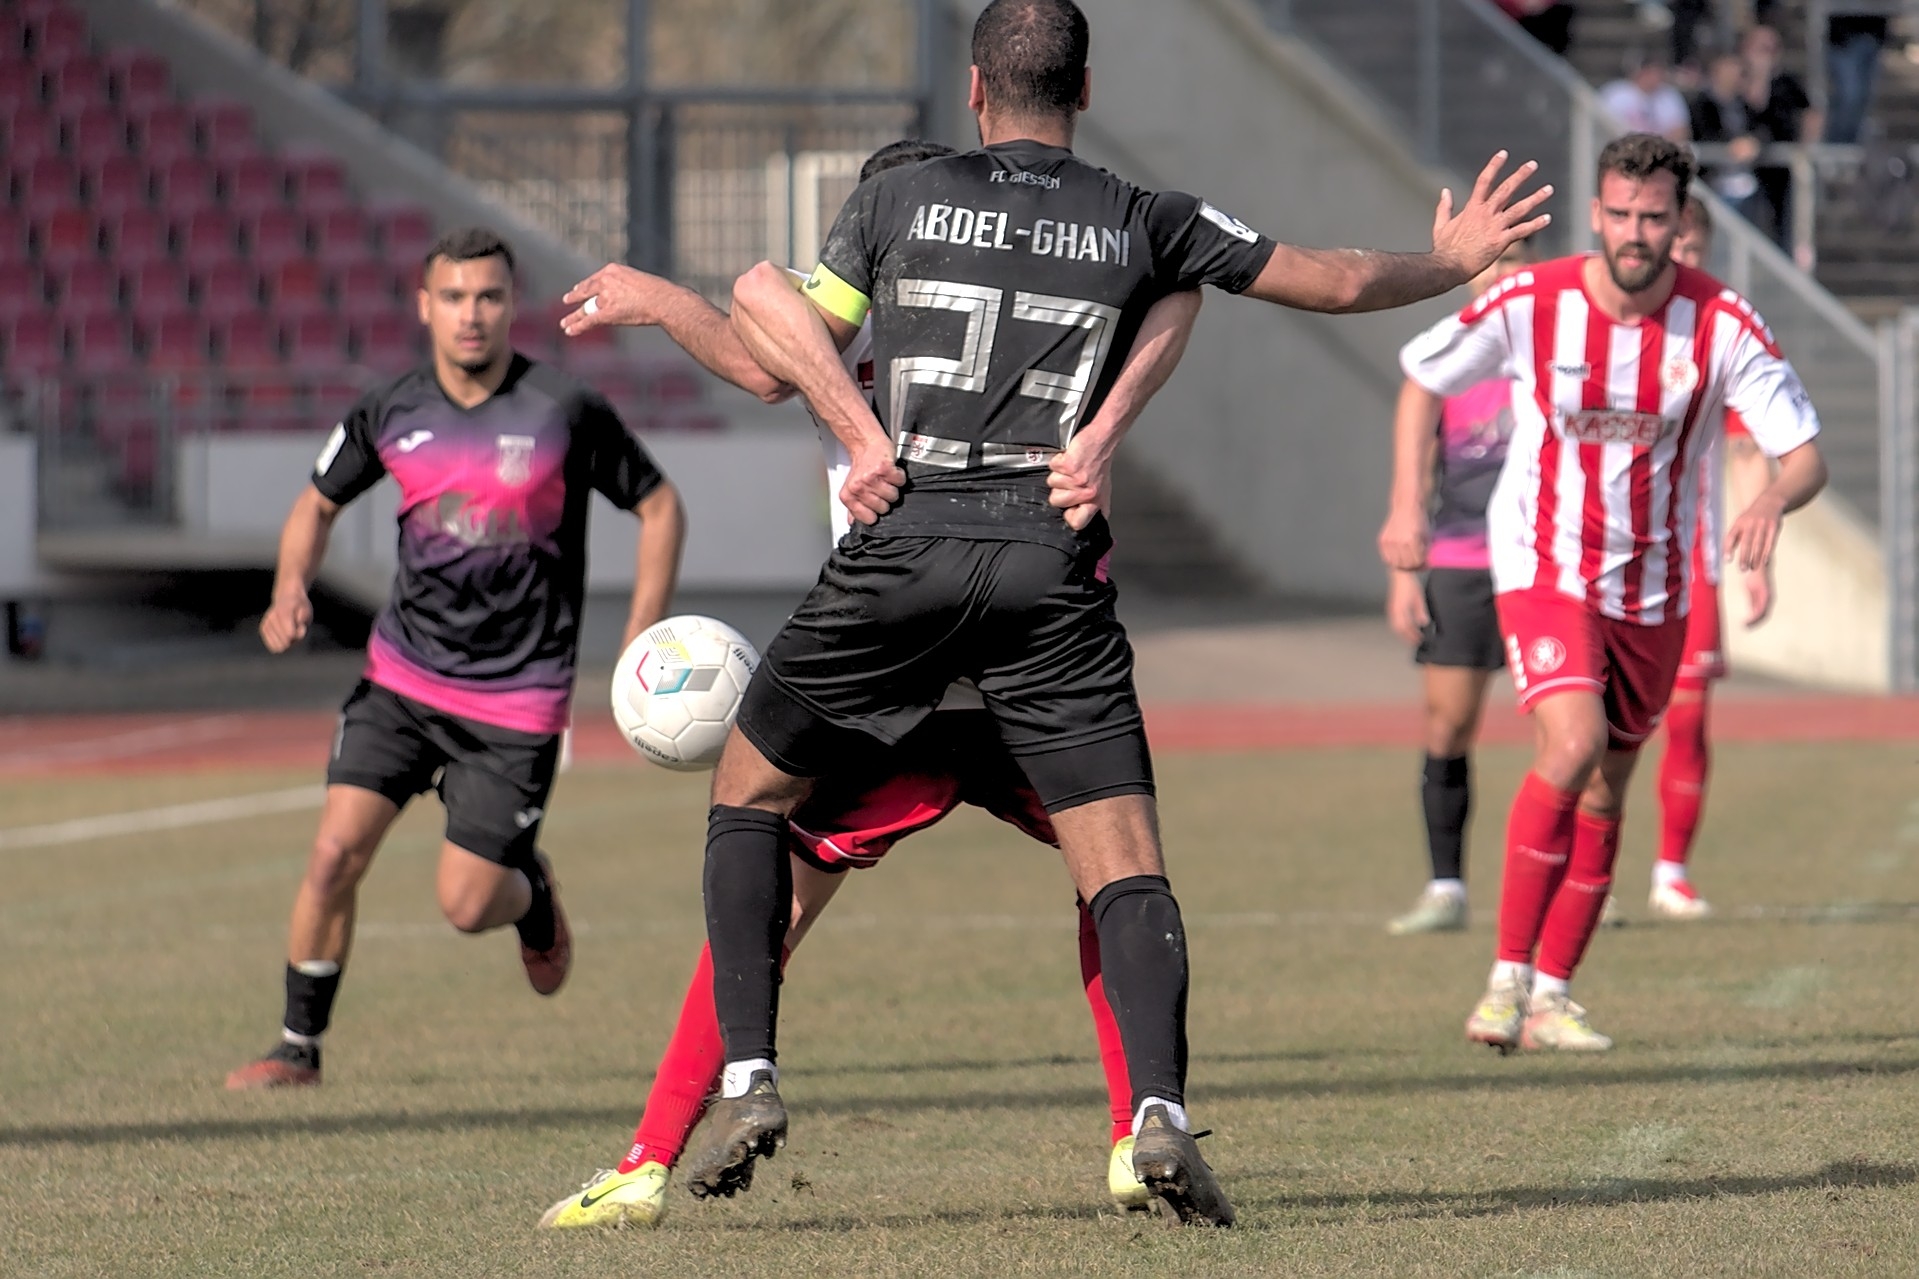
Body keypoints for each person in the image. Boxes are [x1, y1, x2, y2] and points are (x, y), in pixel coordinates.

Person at [701, 0, 1549, 1227]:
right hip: (1049, 562)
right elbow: (1334, 279)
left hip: (902, 547)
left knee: (748, 793)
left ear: (976, 89)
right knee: (1123, 864)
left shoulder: (897, 197)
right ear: (1085, 90)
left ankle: (749, 1076)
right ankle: (1154, 1110)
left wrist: (857, 432)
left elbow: (766, 313)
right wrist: (1458, 262)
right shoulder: (1143, 217)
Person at [534, 138, 1207, 1228]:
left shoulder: (828, 341)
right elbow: (1172, 294)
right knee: (1116, 883)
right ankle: (1138, 1132)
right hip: (1035, 665)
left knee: (763, 907)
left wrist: (662, 300)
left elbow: (760, 356)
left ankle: (652, 1156)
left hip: (894, 681)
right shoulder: (1039, 320)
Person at [224, 227, 686, 1089]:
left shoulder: (563, 408)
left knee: (467, 905)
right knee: (332, 854)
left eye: (488, 297)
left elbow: (659, 506)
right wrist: (290, 587)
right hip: (401, 678)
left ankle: (530, 892)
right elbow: (316, 503)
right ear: (424, 306)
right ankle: (298, 1048)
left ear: (510, 305)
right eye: (454, 297)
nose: (471, 314)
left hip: (517, 702)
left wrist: (641, 633)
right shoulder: (389, 409)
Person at [1399, 134, 1826, 1056]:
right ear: (1595, 213)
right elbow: (1422, 376)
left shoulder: (1721, 322)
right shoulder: (1533, 299)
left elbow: (1803, 455)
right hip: (1544, 568)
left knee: (1605, 789)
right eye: (1620, 214)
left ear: (1680, 222)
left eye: (1653, 217)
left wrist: (1769, 499)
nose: (1635, 233)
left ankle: (1553, 993)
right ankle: (1505, 979)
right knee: (1572, 743)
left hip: (1655, 589)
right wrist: (1403, 511)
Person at [1377, 242, 1530, 936]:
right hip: (1460, 561)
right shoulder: (1441, 362)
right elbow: (1414, 476)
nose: (1504, 273)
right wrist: (1402, 572)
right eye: (1493, 260)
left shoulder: (1555, 352)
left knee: (1568, 729)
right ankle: (1446, 888)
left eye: (1518, 259)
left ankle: (1585, 881)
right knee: (1447, 724)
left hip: (1541, 562)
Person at [1647, 195, 1779, 921]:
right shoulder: (1604, 324)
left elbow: (1745, 448)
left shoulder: (1715, 335)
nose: (1681, 261)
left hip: (1688, 561)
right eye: (1675, 247)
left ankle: (1671, 870)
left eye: (1693, 250)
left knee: (1689, 719)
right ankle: (1586, 870)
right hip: (1599, 559)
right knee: (1592, 732)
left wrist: (1756, 561)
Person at [1739, 23, 1817, 252]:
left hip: (1781, 167)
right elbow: (1754, 105)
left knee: (1785, 224)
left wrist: (1806, 145)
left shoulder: (1787, 82)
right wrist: (1759, 76)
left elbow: (1810, 112)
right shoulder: (1738, 77)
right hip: (1747, 167)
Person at [1689, 51, 1768, 229]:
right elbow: (1703, 133)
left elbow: (1763, 129)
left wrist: (1753, 141)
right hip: (1714, 180)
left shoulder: (1744, 105)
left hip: (1745, 181)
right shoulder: (1701, 104)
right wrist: (1731, 145)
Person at [1825, 3, 1897, 145]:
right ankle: (1837, 144)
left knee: (1864, 98)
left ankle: (1853, 144)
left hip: (1873, 36)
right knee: (1850, 95)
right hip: (1844, 39)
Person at [1601, 48, 1694, 144]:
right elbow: (1604, 126)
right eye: (1651, 72)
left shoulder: (1670, 95)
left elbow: (1681, 131)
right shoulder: (1616, 93)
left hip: (1659, 149)